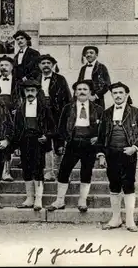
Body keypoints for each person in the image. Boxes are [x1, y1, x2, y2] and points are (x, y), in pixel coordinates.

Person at [46, 80, 103, 212]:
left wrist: (97, 138)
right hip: (73, 143)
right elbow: (61, 127)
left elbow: (103, 129)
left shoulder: (98, 109)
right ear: (75, 92)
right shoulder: (68, 108)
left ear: (90, 93)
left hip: (89, 144)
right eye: (79, 89)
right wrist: (63, 142)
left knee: (86, 172)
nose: (82, 91)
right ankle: (59, 201)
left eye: (85, 89)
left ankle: (82, 201)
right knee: (64, 171)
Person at [97, 82, 138, 232]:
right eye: (115, 93)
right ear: (112, 95)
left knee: (129, 185)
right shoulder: (106, 113)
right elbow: (100, 136)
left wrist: (134, 147)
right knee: (114, 185)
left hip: (128, 154)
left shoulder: (136, 112)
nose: (118, 95)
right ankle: (116, 218)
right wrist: (101, 154)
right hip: (111, 153)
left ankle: (130, 221)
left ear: (126, 94)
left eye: (120, 92)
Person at [12, 80, 55, 211]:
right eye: (27, 91)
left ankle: (38, 199)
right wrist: (16, 146)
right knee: (26, 169)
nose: (30, 93)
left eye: (32, 91)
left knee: (38, 170)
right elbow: (17, 129)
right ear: (24, 92)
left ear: (37, 92)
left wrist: (46, 136)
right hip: (25, 141)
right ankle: (29, 198)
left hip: (39, 142)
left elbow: (52, 127)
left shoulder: (44, 108)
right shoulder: (20, 109)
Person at [35, 54, 72, 182]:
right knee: (45, 142)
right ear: (39, 66)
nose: (46, 65)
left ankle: (61, 172)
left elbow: (68, 98)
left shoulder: (60, 79)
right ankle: (49, 172)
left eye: (48, 63)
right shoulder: (35, 79)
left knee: (59, 142)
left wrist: (68, 114)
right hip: (41, 113)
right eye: (43, 63)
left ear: (53, 65)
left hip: (57, 113)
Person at [0, 55, 20, 181]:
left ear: (12, 67)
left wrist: (17, 109)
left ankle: (6, 172)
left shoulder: (18, 83)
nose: (3, 67)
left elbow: (21, 98)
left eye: (6, 65)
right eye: (1, 65)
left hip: (13, 115)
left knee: (9, 141)